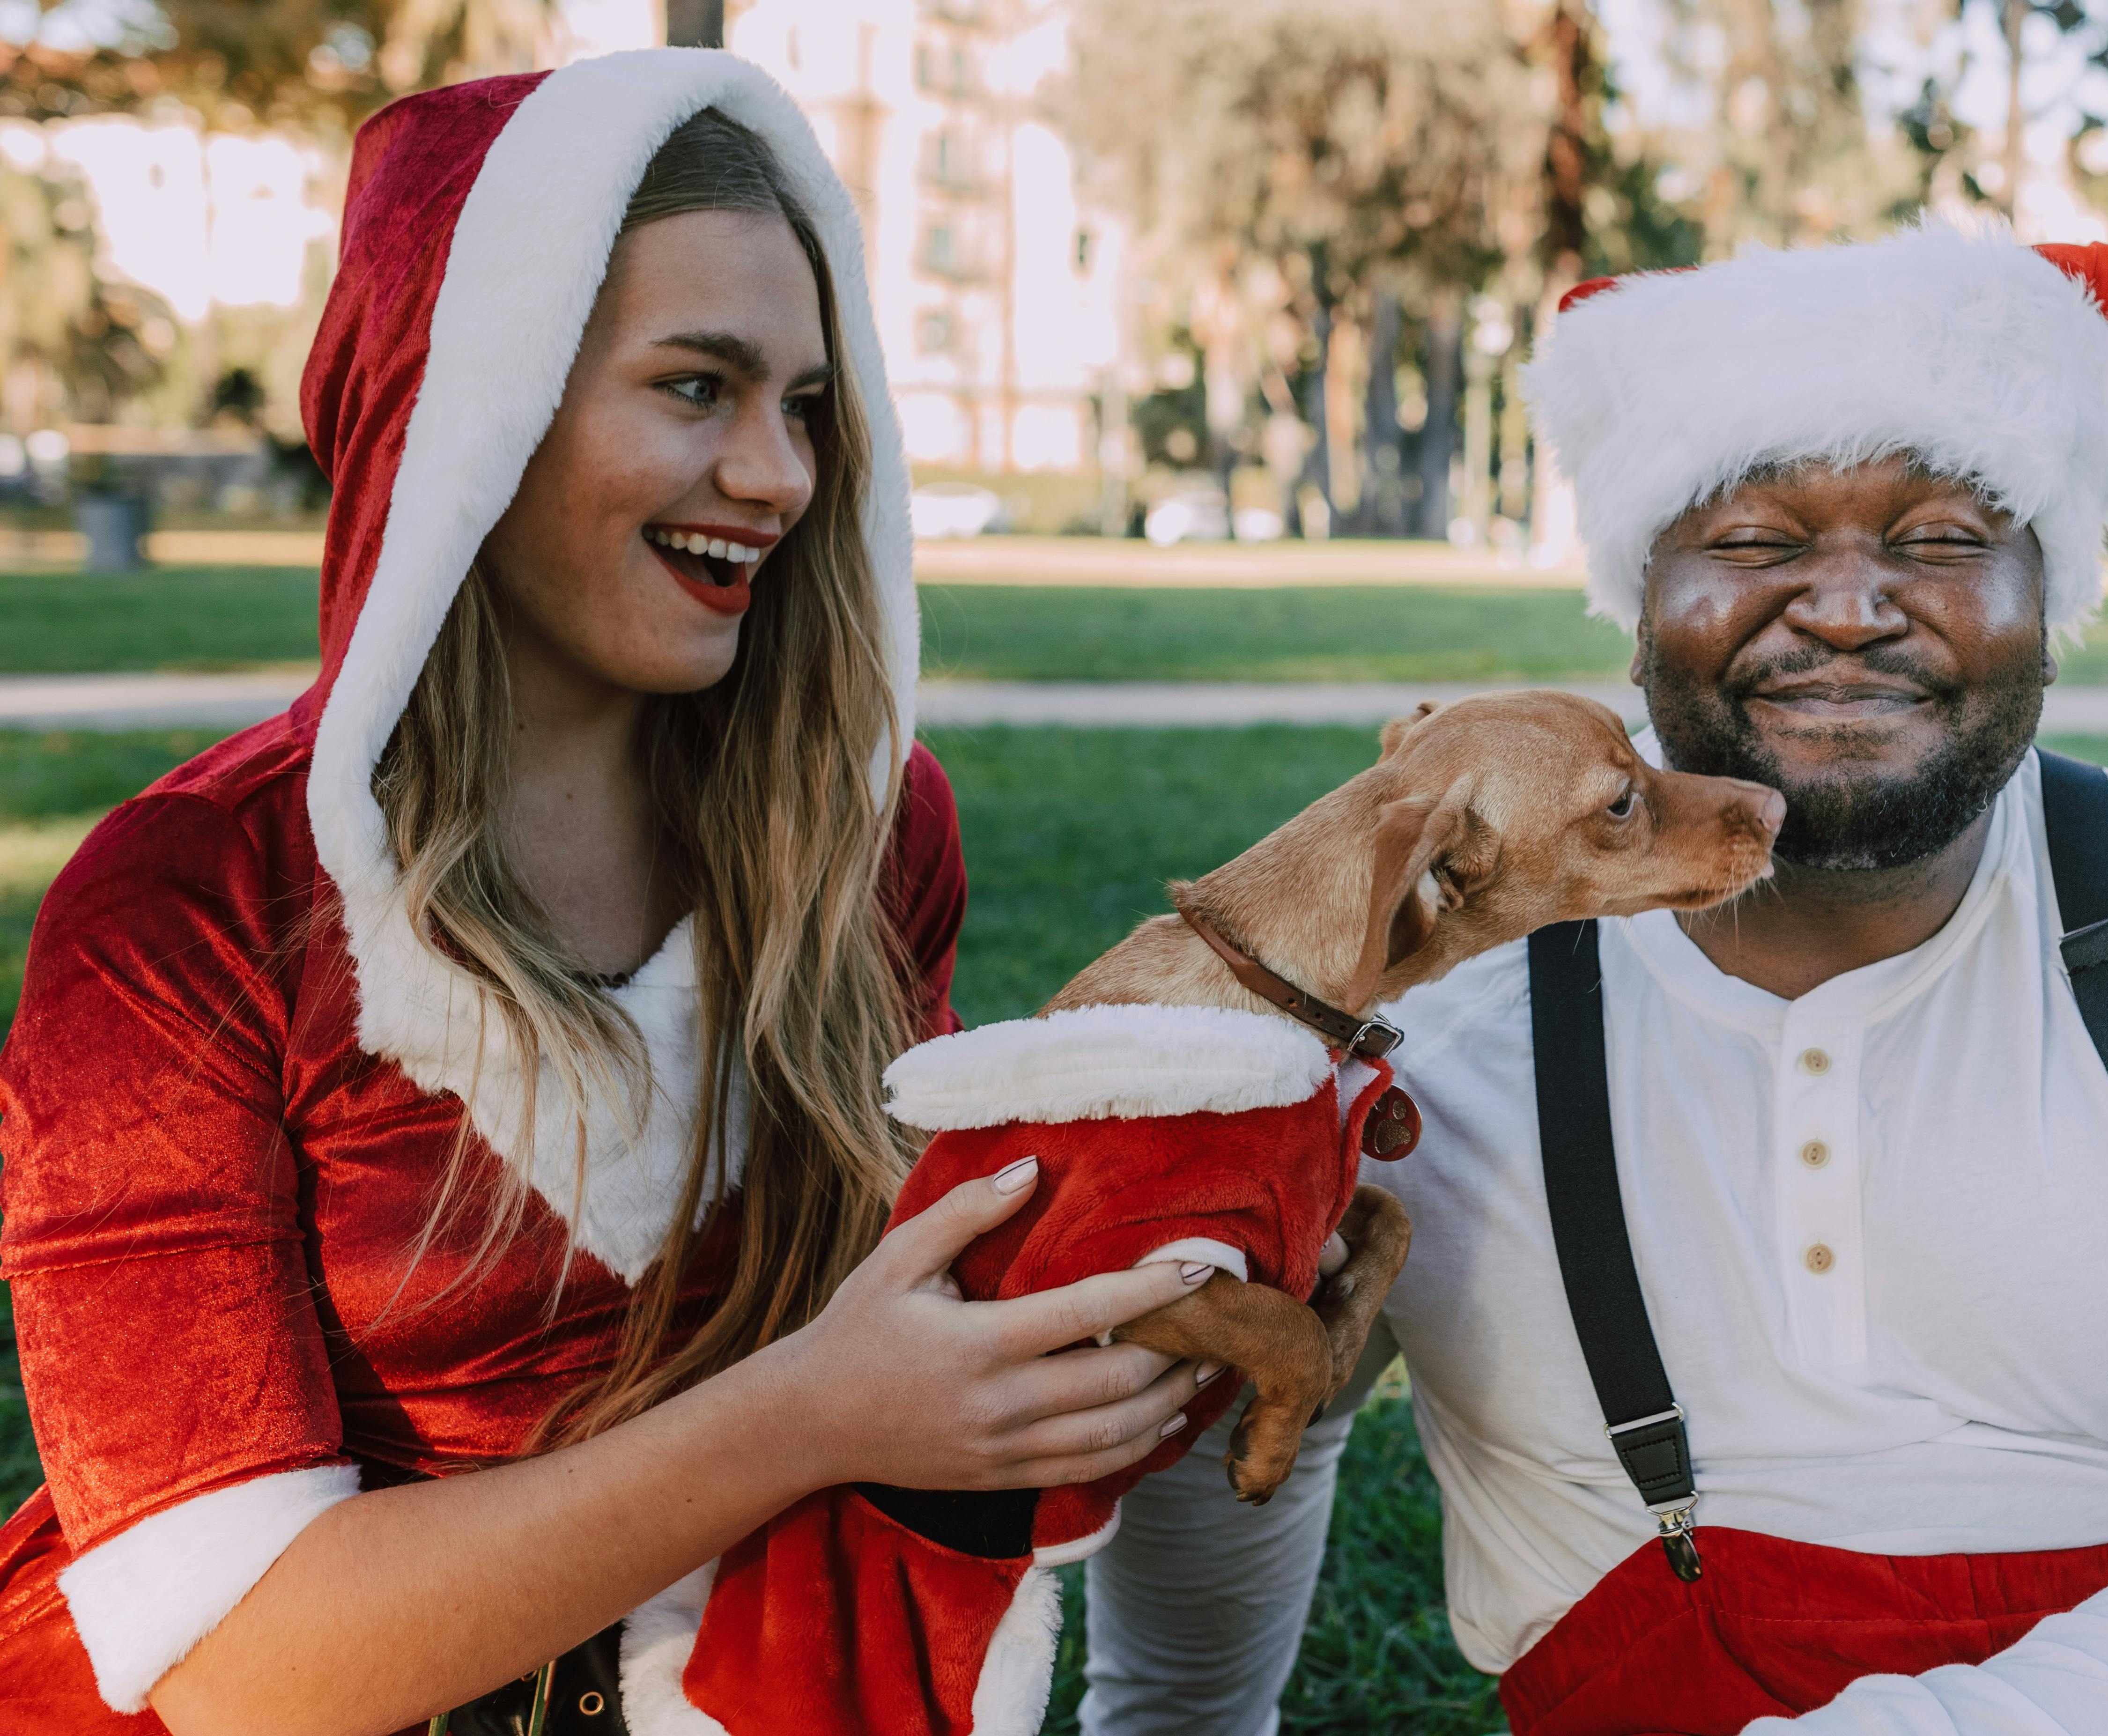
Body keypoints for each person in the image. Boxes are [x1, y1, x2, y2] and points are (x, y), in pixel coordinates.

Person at [1080, 227, 2108, 1735]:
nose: (1848, 606)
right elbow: (1246, 1403)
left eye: (1937, 535)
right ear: (1639, 591)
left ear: (2047, 588)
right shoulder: (1424, 1027)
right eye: (1750, 539)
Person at [0, 52, 1209, 1736]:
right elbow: (235, 1669)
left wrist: (1206, 1214)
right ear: (469, 408)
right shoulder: (180, 907)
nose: (781, 477)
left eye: (804, 404)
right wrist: (803, 1418)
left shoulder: (859, 833)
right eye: (698, 386)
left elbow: (919, 1311)